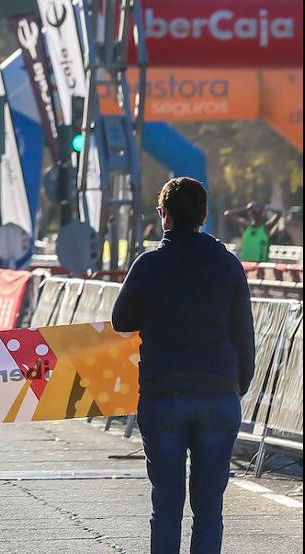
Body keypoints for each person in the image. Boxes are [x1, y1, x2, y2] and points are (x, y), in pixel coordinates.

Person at [112, 177, 255, 554]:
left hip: (164, 395)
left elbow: (121, 320)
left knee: (167, 508)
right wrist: (236, 386)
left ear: (165, 217)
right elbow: (245, 335)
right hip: (218, 395)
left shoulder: (150, 265)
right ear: (204, 215)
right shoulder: (229, 266)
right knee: (209, 511)